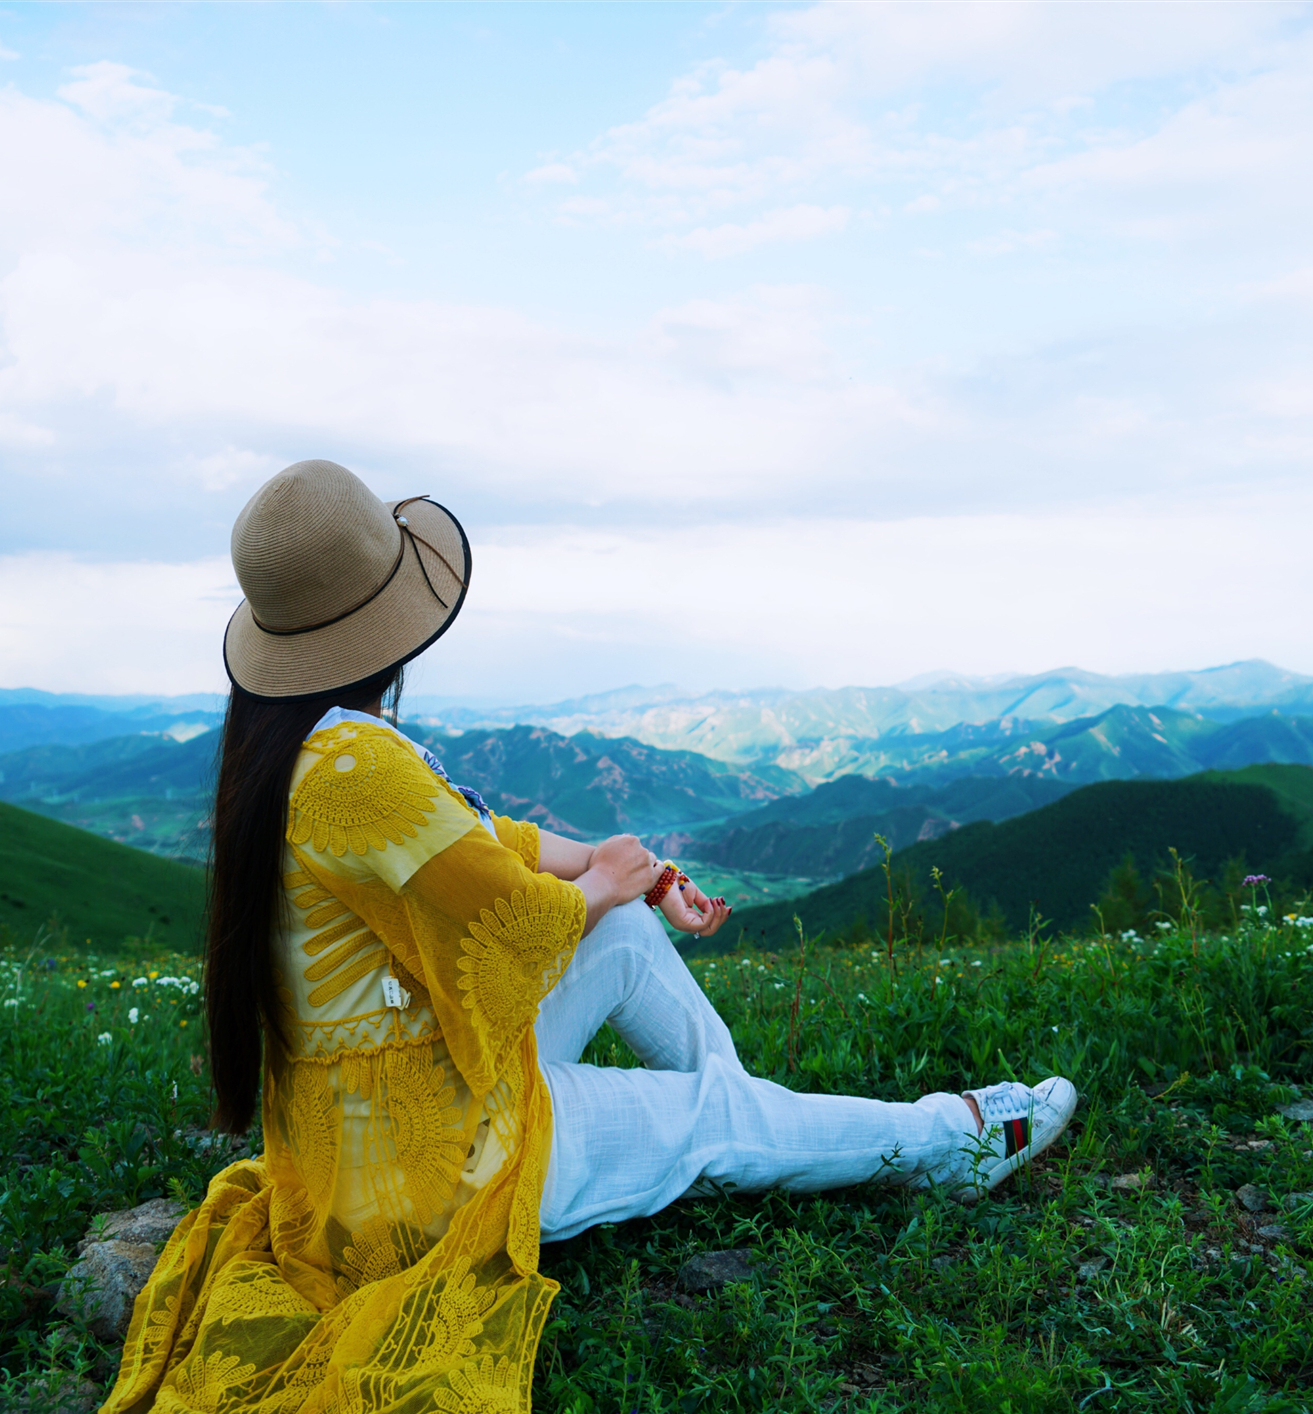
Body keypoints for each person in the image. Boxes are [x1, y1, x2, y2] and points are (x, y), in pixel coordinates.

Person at [100, 460, 1077, 1413]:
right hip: (429, 1176)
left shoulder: (293, 745)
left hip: (369, 1133)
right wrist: (609, 880)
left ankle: (757, 1124)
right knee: (697, 1106)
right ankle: (952, 1141)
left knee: (624, 946)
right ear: (385, 617)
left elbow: (485, 840)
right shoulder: (359, 760)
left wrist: (622, 870)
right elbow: (508, 922)